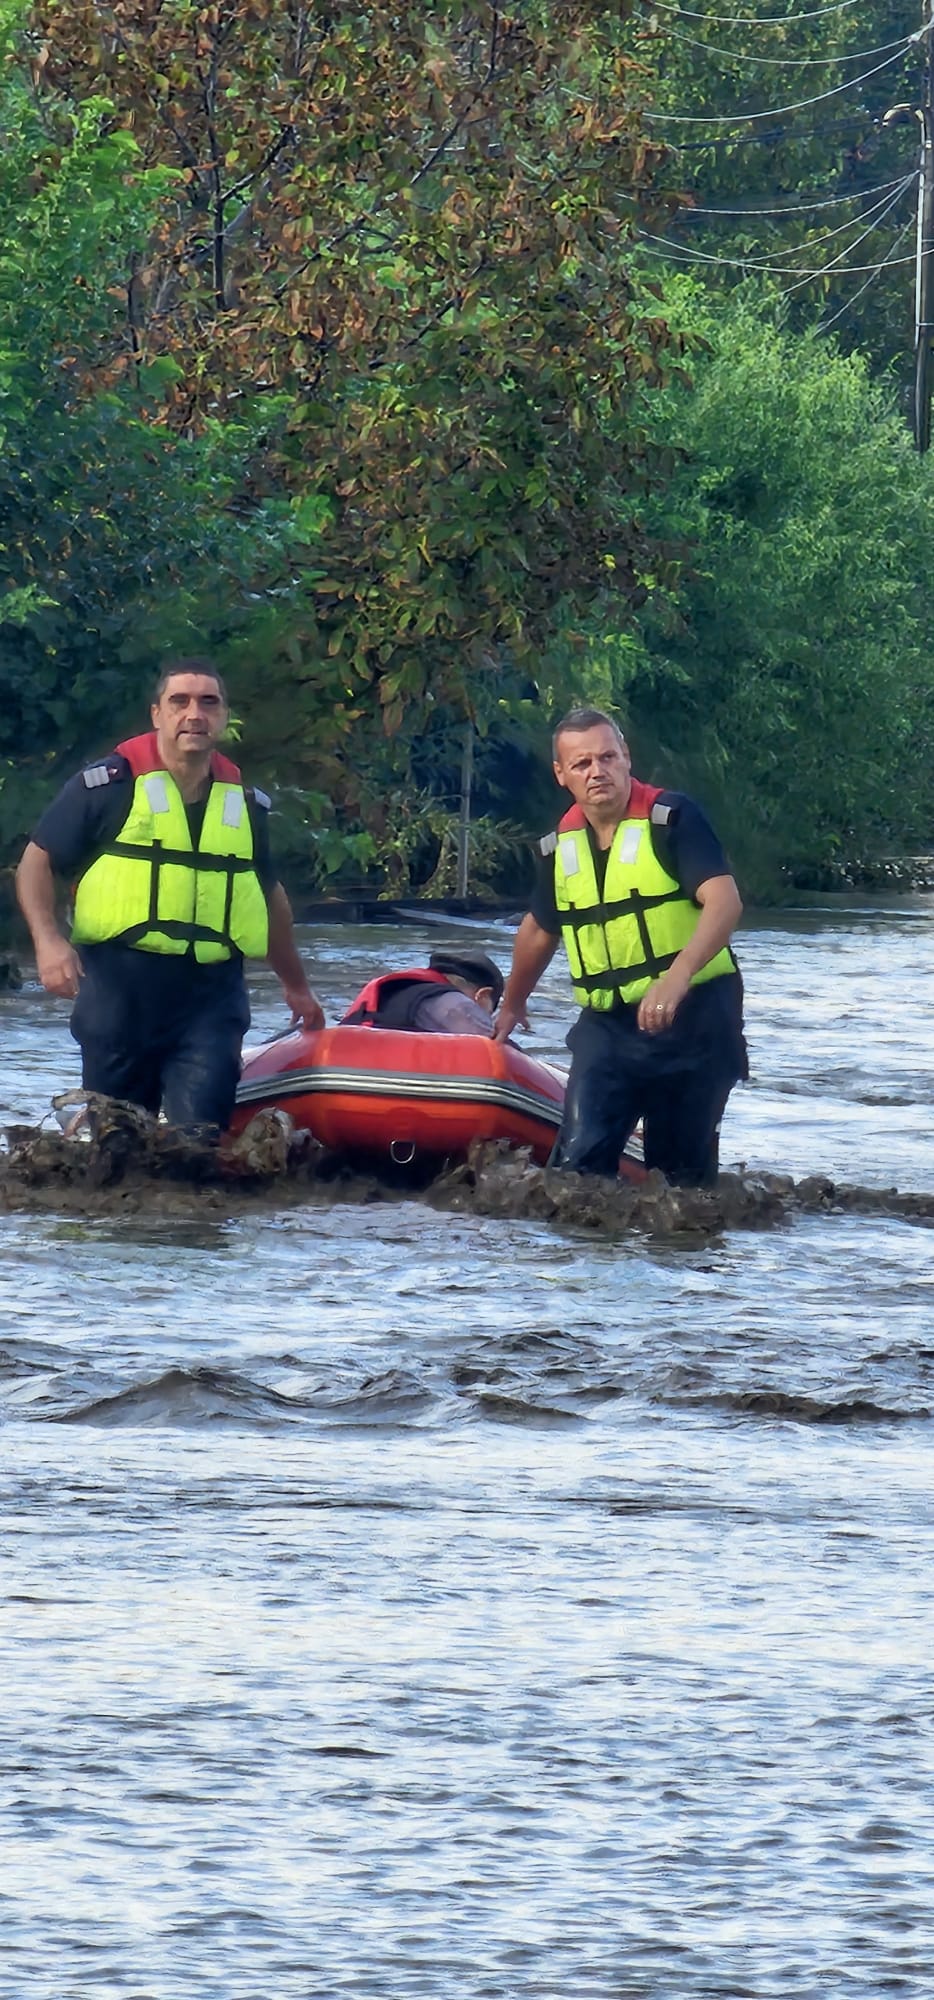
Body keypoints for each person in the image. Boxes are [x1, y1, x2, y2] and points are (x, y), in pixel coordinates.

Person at [16, 657, 325, 1130]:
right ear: (157, 713)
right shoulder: (105, 787)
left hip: (211, 998)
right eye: (179, 701)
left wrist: (297, 986)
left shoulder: (245, 805)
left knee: (197, 1145)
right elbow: (36, 862)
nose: (194, 713)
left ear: (224, 717)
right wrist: (48, 941)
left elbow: (268, 897)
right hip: (119, 991)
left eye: (209, 702)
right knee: (117, 1149)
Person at [494, 707, 747, 1185]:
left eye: (608, 757)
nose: (598, 771)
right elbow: (539, 928)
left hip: (695, 1020)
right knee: (574, 1175)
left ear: (626, 757)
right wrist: (512, 1003)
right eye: (583, 763)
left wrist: (678, 976)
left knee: (679, 1184)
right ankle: (582, 1258)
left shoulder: (672, 819)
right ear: (561, 775)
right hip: (608, 1028)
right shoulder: (559, 847)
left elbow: (725, 901)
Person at [341, 948, 504, 1035]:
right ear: (483, 996)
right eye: (488, 1012)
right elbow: (497, 1047)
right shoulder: (455, 1006)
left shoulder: (398, 990)